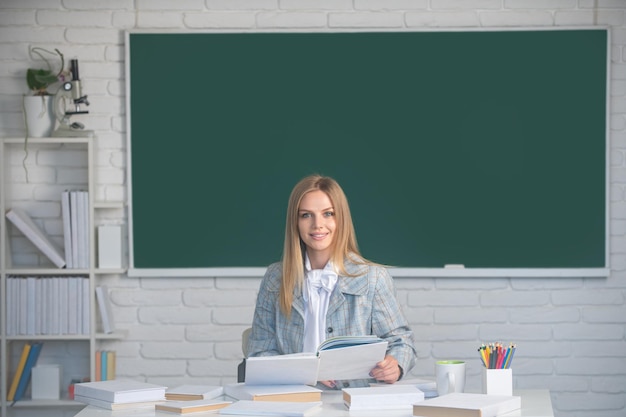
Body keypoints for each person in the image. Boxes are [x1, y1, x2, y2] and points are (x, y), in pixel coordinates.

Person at [246, 174, 416, 388]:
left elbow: (401, 342)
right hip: (294, 400)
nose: (318, 225)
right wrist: (305, 372)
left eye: (328, 214)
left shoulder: (372, 278)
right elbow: (260, 352)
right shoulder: (275, 280)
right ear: (295, 222)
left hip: (353, 402)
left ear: (341, 219)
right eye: (306, 215)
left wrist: (395, 364)